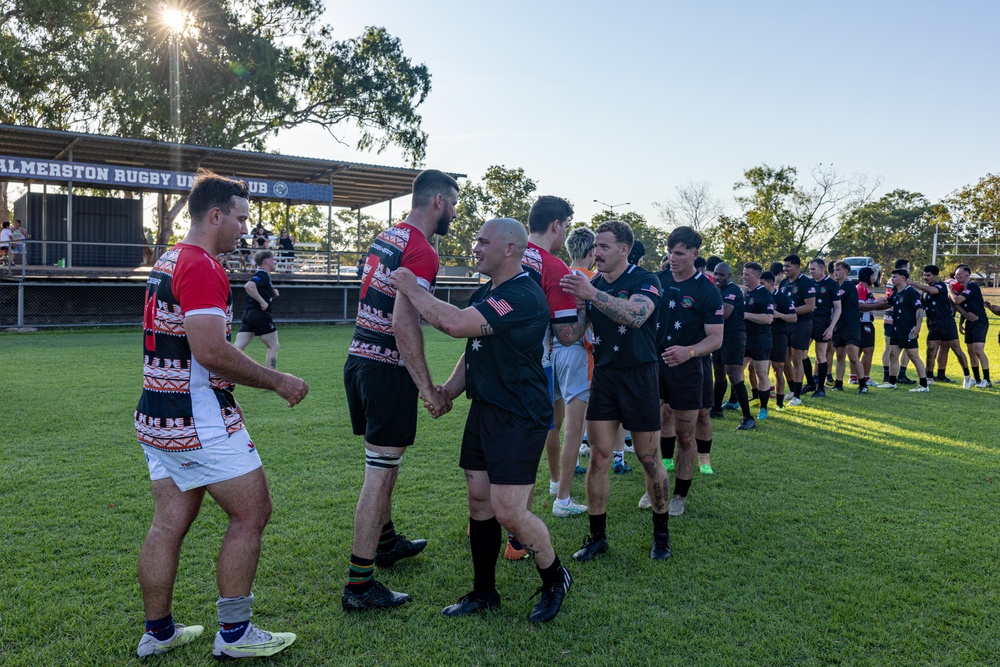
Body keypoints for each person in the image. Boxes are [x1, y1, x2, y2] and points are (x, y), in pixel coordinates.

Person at [134, 171, 308, 660]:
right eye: (240, 218)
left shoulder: (168, 258)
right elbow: (210, 350)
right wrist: (278, 380)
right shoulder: (202, 266)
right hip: (198, 419)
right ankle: (234, 634)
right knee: (253, 512)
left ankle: (159, 631)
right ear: (215, 215)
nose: (245, 230)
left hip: (157, 415)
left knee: (167, 522)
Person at [390, 218, 572, 623]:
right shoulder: (489, 291)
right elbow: (473, 349)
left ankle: (555, 578)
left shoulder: (522, 294)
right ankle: (484, 592)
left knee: (509, 511)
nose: (474, 247)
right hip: (485, 410)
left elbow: (454, 325)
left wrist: (411, 287)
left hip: (519, 416)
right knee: (479, 503)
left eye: (482, 240)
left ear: (510, 249)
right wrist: (445, 393)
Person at [341, 169, 459, 611]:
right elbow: (403, 321)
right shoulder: (422, 250)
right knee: (380, 472)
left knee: (381, 462)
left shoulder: (386, 236)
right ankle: (359, 585)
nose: (453, 212)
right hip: (385, 368)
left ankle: (386, 542)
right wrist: (427, 387)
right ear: (437, 202)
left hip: (357, 360)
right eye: (453, 204)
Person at [559, 220, 671, 560]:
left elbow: (636, 315)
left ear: (624, 249)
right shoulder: (590, 284)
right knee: (599, 456)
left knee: (649, 458)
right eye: (595, 247)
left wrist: (592, 295)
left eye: (604, 246)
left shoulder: (644, 279)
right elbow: (574, 336)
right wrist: (574, 309)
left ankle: (661, 536)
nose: (597, 253)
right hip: (605, 377)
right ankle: (597, 537)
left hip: (640, 376)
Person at [504, 195, 585, 559]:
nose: (564, 232)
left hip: (489, 362)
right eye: (565, 226)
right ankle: (517, 540)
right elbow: (567, 335)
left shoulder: (506, 251)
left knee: (491, 450)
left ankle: (485, 521)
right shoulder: (554, 267)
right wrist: (585, 309)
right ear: (556, 225)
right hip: (533, 368)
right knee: (525, 452)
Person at [645, 226, 722, 516]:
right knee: (656, 425)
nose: (673, 258)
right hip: (655, 365)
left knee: (685, 435)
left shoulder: (706, 290)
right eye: (670, 253)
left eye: (679, 253)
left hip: (688, 368)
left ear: (694, 254)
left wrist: (687, 352)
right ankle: (657, 481)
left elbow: (716, 338)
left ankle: (680, 494)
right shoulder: (656, 281)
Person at [550, 227, 597, 519]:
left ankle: (555, 482)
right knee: (574, 429)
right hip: (577, 352)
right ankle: (563, 499)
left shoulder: (558, 273)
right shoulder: (594, 280)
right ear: (592, 252)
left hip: (549, 351)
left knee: (552, 423)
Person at [908, 265, 970, 385]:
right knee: (931, 350)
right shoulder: (924, 292)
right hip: (933, 323)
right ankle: (929, 378)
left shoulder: (941, 285)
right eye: (924, 275)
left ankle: (967, 376)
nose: (925, 278)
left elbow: (932, 291)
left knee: (956, 349)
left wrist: (913, 283)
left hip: (946, 322)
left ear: (935, 276)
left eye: (928, 275)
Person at [712, 262, 754, 430]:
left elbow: (725, 313)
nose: (717, 277)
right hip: (719, 336)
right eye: (715, 273)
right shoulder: (717, 290)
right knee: (719, 374)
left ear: (729, 276)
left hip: (733, 337)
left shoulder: (733, 290)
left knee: (734, 375)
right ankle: (716, 409)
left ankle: (748, 418)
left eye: (721, 275)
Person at [877, 268, 929, 391]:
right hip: (897, 329)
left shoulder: (911, 292)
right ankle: (892, 382)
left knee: (913, 356)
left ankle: (923, 385)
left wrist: (918, 326)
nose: (892, 279)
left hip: (909, 330)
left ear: (903, 278)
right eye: (892, 277)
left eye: (895, 277)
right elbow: (887, 302)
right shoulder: (896, 292)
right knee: (893, 354)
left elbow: (919, 310)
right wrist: (881, 299)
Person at [779, 255, 816, 406]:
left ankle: (798, 396)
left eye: (788, 266)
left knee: (796, 358)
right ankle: (792, 390)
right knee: (784, 360)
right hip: (785, 324)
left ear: (797, 266)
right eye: (784, 266)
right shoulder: (782, 283)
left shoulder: (806, 282)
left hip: (802, 324)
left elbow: (810, 306)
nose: (785, 269)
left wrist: (789, 311)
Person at [235, 250, 281, 369]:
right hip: (259, 314)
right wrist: (262, 301)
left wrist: (272, 294)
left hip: (249, 314)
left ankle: (222, 374)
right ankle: (272, 378)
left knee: (237, 349)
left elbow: (258, 289)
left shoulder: (264, 275)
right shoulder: (262, 274)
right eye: (273, 259)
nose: (275, 261)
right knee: (274, 346)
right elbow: (249, 286)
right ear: (266, 261)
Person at [742, 262, 773, 420]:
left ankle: (764, 408)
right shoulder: (746, 292)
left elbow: (768, 318)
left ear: (756, 276)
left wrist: (746, 315)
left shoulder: (764, 294)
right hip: (745, 339)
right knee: (736, 370)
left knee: (761, 373)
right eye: (743, 274)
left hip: (760, 340)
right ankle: (736, 401)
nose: (744, 277)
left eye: (747, 274)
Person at [806, 258, 841, 397]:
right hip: (807, 323)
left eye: (813, 269)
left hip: (823, 323)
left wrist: (831, 327)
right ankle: (809, 382)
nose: (811, 272)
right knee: (801, 354)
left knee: (821, 355)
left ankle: (820, 388)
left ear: (821, 268)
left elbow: (838, 308)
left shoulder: (831, 284)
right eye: (810, 269)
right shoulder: (808, 283)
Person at [952, 264, 991, 388]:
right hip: (970, 323)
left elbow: (956, 301)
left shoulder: (972, 286)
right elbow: (961, 307)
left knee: (978, 350)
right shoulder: (962, 290)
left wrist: (949, 290)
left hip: (980, 322)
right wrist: (961, 324)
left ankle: (987, 380)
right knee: (970, 351)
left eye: (959, 274)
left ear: (967, 275)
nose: (956, 276)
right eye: (955, 274)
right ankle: (977, 379)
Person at [831, 261, 866, 393]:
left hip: (851, 326)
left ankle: (863, 384)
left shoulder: (849, 286)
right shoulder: (835, 286)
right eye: (835, 269)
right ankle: (838, 384)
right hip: (838, 326)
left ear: (846, 272)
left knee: (853, 356)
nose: (835, 272)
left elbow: (835, 296)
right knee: (839, 356)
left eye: (839, 270)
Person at [763, 270, 795, 409]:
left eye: (762, 283)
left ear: (771, 283)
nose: (760, 286)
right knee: (757, 368)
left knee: (778, 368)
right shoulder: (758, 296)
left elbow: (793, 317)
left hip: (778, 336)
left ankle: (779, 402)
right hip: (761, 336)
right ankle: (759, 398)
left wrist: (778, 315)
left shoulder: (782, 298)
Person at [855, 267, 879, 388]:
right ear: (866, 276)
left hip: (864, 322)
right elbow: (859, 306)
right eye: (872, 276)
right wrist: (876, 304)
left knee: (859, 350)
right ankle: (865, 377)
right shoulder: (861, 288)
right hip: (863, 323)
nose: (874, 278)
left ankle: (855, 376)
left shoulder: (865, 288)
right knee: (868, 350)